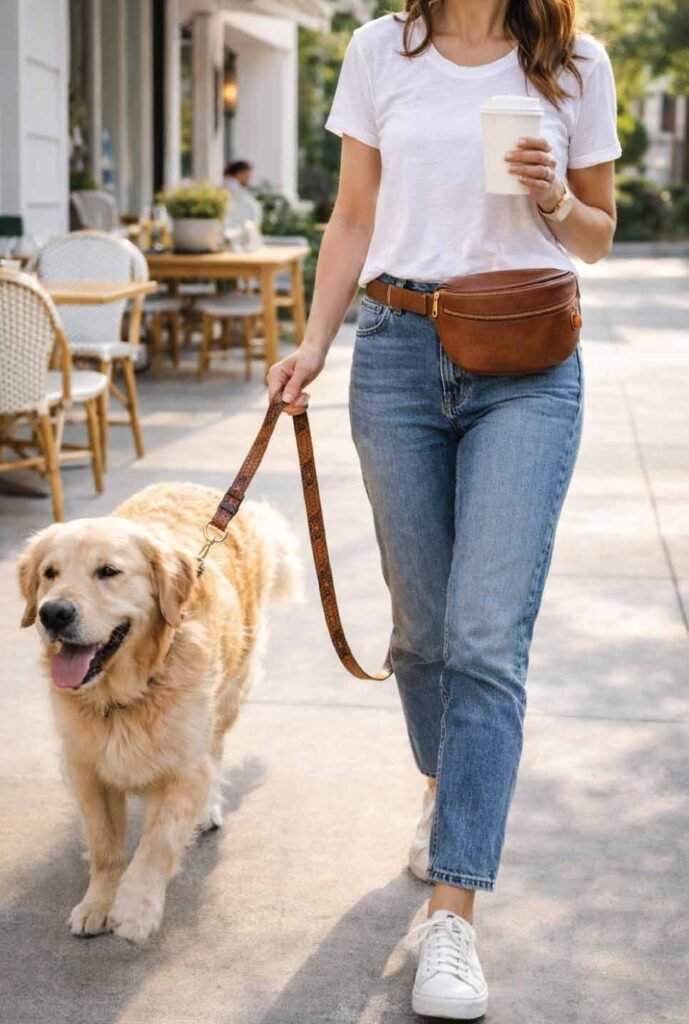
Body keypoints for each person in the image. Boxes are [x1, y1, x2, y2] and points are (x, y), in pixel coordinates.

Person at [268, 0, 621, 1018]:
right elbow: (353, 214)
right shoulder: (380, 48)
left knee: (483, 638)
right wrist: (314, 342)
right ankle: (448, 783)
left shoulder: (573, 61)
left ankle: (452, 914)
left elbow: (597, 237)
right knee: (421, 633)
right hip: (395, 354)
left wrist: (552, 196)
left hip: (528, 361)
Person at [223, 159, 262, 229]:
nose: (249, 177)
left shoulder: (232, 186)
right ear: (239, 173)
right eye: (247, 174)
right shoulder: (232, 187)